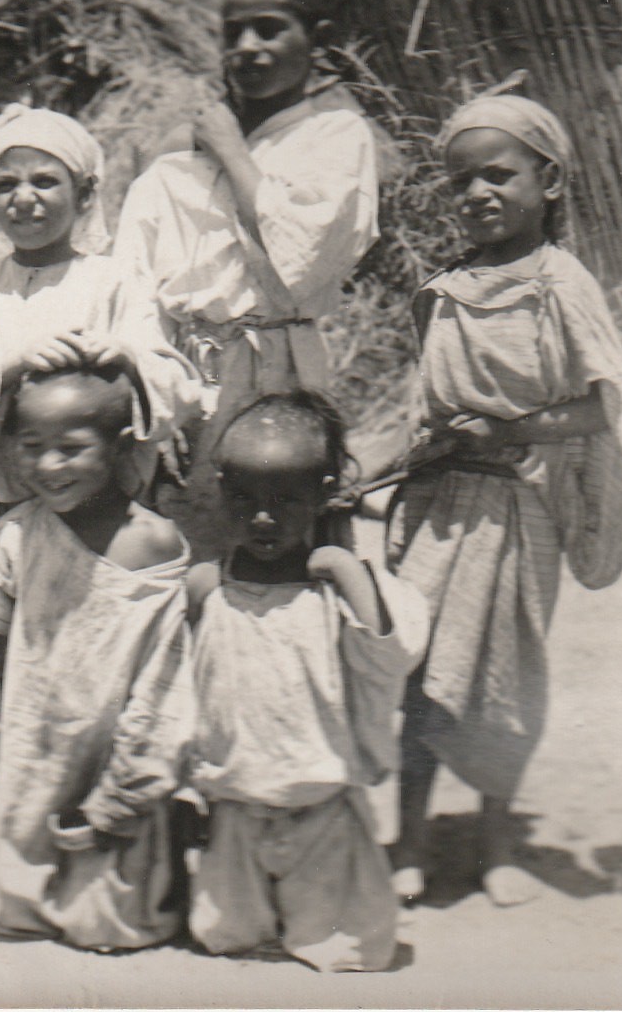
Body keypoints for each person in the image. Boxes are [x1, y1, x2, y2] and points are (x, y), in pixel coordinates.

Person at [385, 93, 622, 907]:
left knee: (506, 675)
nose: (477, 195)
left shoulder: (561, 285)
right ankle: (409, 838)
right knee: (419, 670)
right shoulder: (441, 290)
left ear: (550, 179)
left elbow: (607, 402)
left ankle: (499, 839)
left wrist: (512, 427)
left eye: (498, 175)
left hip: (521, 507)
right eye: (460, 181)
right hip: (438, 509)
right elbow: (421, 408)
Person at [0, 363, 192, 951]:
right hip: (35, 752)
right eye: (32, 447)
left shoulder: (153, 542)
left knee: (106, 925)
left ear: (121, 446)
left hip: (116, 755)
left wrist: (121, 792)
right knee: (14, 899)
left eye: (71, 449)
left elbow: (162, 688)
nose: (50, 467)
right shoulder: (16, 533)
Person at [111, 0, 380, 562]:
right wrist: (159, 406)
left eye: (268, 29)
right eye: (233, 33)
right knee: (191, 548)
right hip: (192, 383)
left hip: (285, 375)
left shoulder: (335, 139)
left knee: (284, 547)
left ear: (320, 39)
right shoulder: (179, 158)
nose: (246, 48)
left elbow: (302, 260)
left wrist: (232, 149)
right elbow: (134, 288)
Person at [0, 103, 195, 632]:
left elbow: (171, 380)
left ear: (85, 194)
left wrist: (127, 359)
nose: (23, 199)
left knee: (92, 630)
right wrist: (10, 364)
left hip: (97, 501)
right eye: (5, 185)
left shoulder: (115, 281)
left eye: (44, 182)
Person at [183, 394, 427, 972]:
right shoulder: (206, 587)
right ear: (219, 489)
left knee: (353, 947)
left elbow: (390, 656)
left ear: (323, 492)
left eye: (286, 500)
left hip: (321, 799)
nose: (263, 517)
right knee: (226, 934)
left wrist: (345, 569)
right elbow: (184, 685)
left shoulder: (337, 592)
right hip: (236, 798)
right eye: (243, 498)